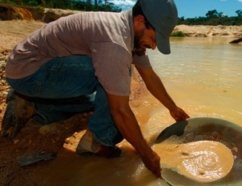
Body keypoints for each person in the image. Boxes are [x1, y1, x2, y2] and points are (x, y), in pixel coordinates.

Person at [1, 0, 190, 177]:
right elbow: (120, 111)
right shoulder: (115, 42)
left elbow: (149, 76)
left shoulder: (128, 31)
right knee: (117, 77)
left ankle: (34, 104)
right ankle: (96, 142)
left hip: (32, 68)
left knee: (95, 101)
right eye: (154, 39)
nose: (153, 46)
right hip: (29, 72)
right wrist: (147, 154)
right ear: (140, 21)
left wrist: (172, 108)